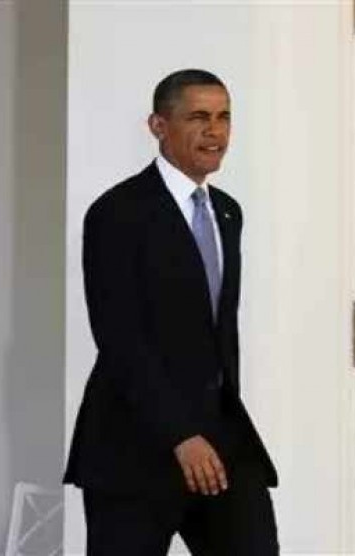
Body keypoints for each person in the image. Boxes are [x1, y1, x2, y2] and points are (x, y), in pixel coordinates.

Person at [64, 69, 279, 555]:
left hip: (222, 440)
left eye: (224, 117)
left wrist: (209, 427)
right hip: (134, 447)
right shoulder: (117, 213)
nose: (215, 131)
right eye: (198, 117)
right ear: (158, 126)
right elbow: (119, 338)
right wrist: (180, 434)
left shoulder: (227, 212)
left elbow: (217, 333)